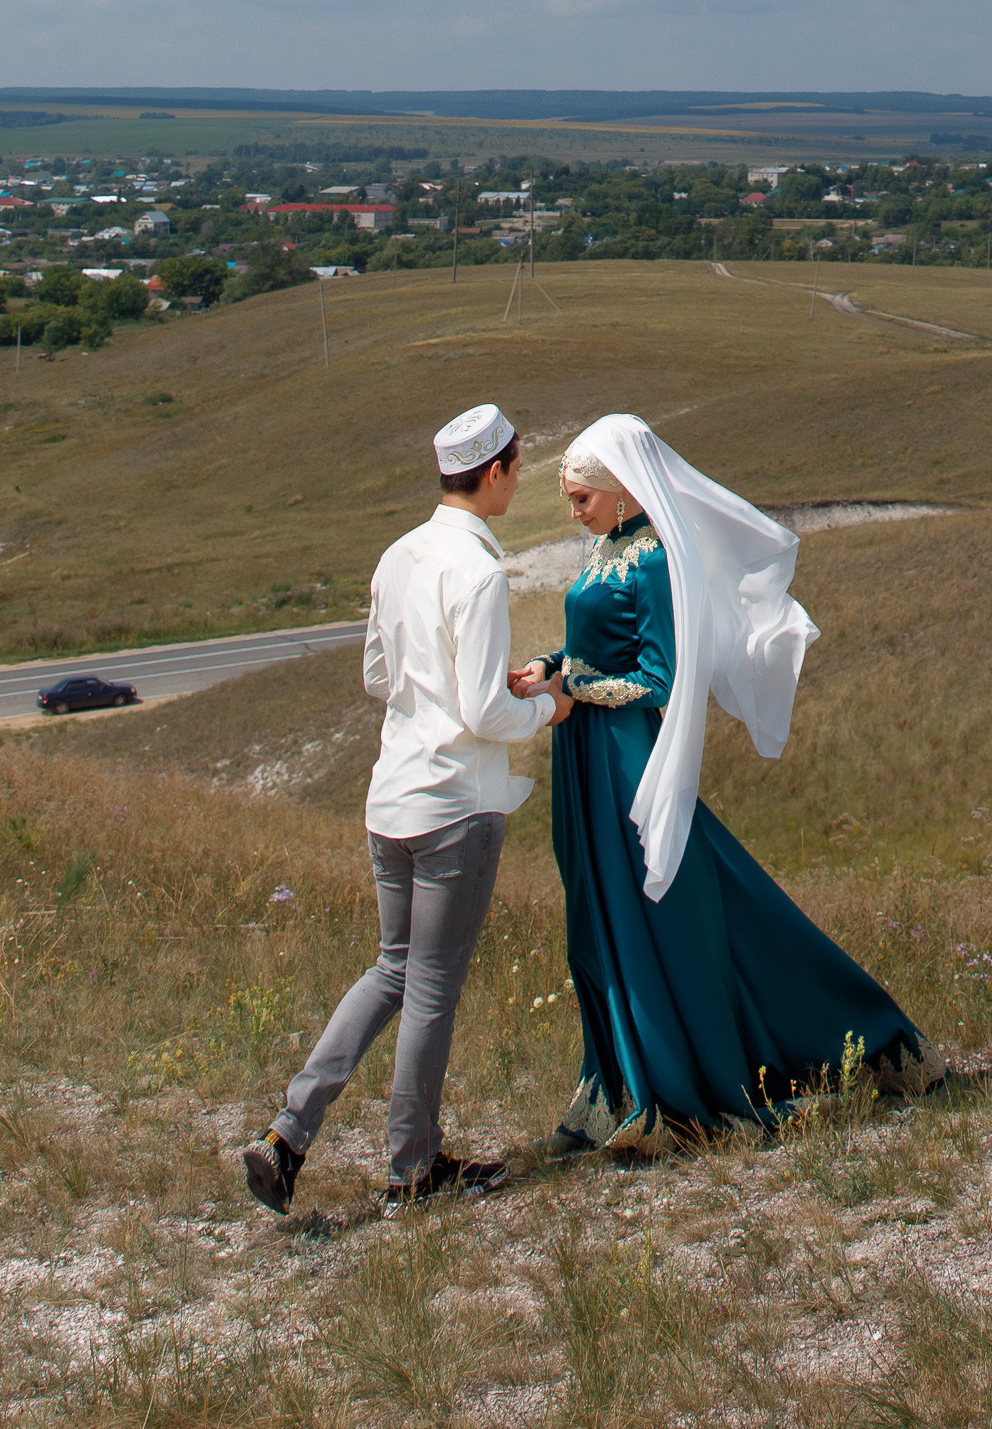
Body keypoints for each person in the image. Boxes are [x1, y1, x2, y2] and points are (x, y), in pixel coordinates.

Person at [511, 411, 944, 1157]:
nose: (574, 512)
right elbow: (596, 645)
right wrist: (551, 667)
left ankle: (712, 1071)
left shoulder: (655, 562)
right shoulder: (609, 546)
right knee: (606, 909)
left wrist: (572, 689)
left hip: (624, 754)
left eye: (582, 498)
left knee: (668, 906)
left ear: (623, 490)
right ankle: (618, 1082)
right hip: (583, 751)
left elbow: (659, 676)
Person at [242, 404, 573, 1217]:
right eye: (517, 468)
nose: (519, 481)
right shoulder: (479, 572)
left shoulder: (398, 555)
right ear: (493, 471)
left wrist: (459, 689)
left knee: (390, 968)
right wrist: (548, 708)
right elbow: (484, 716)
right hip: (456, 805)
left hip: (390, 799)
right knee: (428, 990)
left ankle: (289, 1132)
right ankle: (412, 1170)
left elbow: (378, 677)